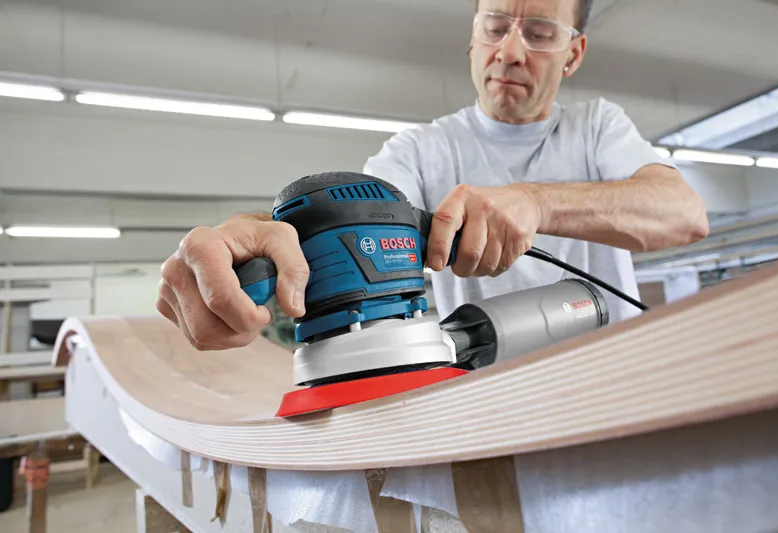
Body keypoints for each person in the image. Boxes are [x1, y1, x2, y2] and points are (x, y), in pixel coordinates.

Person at [157, 0, 709, 351]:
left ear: (573, 54)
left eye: (540, 33)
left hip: (610, 389)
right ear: (472, 39)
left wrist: (535, 203)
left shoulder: (598, 127)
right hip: (477, 396)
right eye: (495, 27)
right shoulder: (422, 149)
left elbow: (683, 214)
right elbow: (345, 220)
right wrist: (249, 241)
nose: (511, 51)